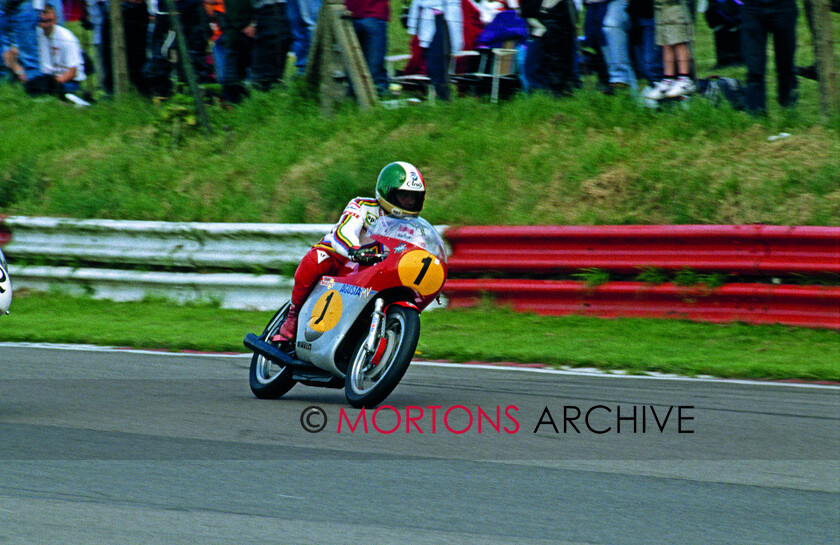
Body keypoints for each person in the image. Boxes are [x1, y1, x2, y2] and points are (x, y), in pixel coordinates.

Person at [270, 162, 426, 343]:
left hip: (375, 274)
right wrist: (355, 250)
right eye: (404, 195)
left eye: (414, 197)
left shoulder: (415, 229)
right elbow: (344, 231)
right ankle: (292, 316)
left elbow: (418, 255)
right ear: (388, 192)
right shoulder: (363, 205)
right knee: (317, 260)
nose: (409, 202)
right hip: (344, 260)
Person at [740, 0, 797, 114]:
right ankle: (756, 116)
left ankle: (789, 112)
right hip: (753, 7)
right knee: (754, 69)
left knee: (786, 66)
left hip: (784, 6)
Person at [407, 0, 464, 100]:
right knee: (434, 62)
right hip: (432, 16)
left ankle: (441, 94)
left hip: (449, 16)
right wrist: (413, 26)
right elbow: (416, 3)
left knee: (442, 60)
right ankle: (438, 93)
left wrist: (413, 26)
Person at [643, 0, 695, 99]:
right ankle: (668, 80)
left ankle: (685, 80)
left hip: (675, 6)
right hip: (660, 6)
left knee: (678, 40)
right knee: (665, 42)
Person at [35, 4, 86, 93]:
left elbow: (72, 72)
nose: (45, 25)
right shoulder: (36, 33)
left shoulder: (66, 37)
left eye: (48, 21)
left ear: (55, 19)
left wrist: (53, 85)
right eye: (42, 21)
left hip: (67, 80)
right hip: (46, 77)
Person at [345, 0, 389, 95]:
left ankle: (377, 93)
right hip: (351, 13)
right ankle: (356, 92)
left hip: (374, 13)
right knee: (353, 60)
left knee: (374, 63)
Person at [0, 0, 41, 87]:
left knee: (28, 56)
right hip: (3, 7)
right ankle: (8, 84)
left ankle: (34, 88)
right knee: (4, 53)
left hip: (22, 5)